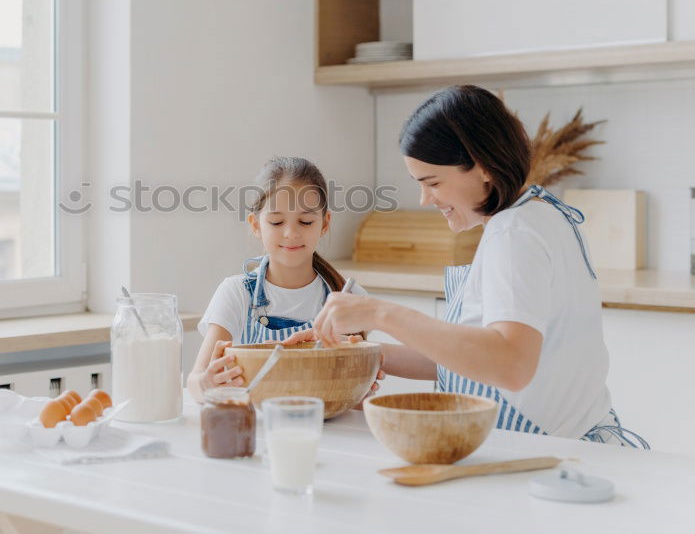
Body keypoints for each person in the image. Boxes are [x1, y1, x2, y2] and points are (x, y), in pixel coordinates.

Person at [298, 85, 648, 446]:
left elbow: (510, 365)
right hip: (568, 448)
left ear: (481, 166)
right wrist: (356, 355)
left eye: (432, 183)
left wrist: (380, 314)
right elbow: (468, 360)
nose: (425, 199)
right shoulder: (540, 214)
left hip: (546, 456)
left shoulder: (513, 235)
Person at [187, 156, 373, 403]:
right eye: (276, 221)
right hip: (255, 432)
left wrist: (361, 385)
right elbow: (195, 383)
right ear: (256, 224)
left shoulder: (348, 296)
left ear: (325, 223)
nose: (291, 233)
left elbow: (357, 400)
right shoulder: (236, 293)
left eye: (306, 221)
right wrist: (206, 384)